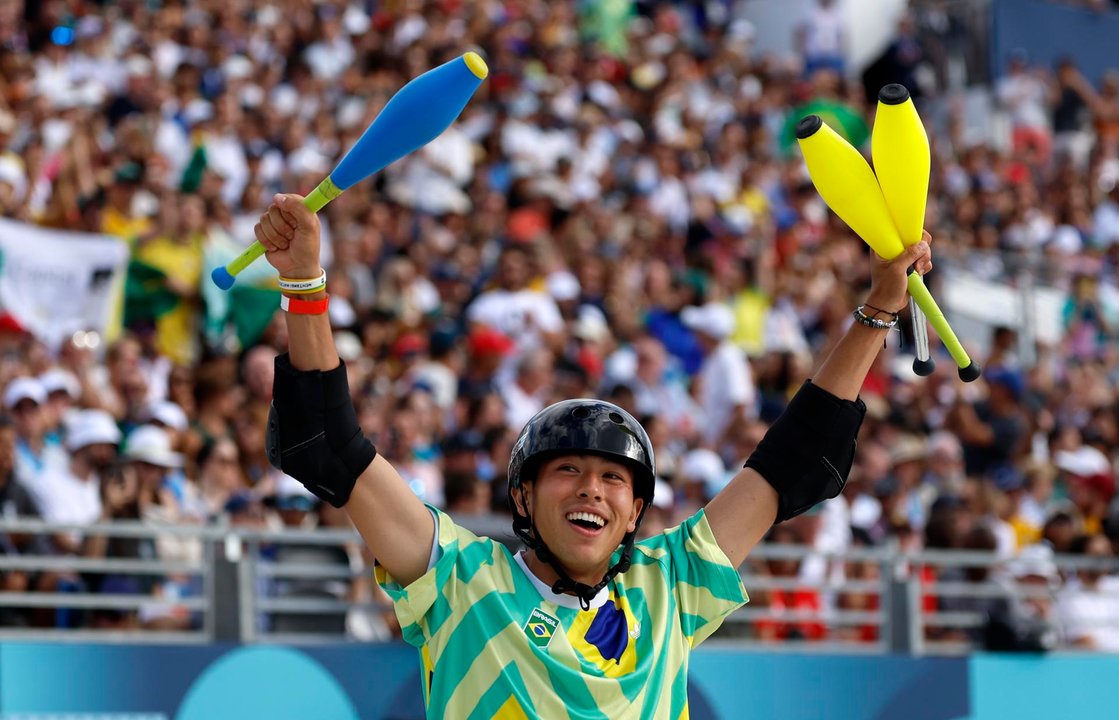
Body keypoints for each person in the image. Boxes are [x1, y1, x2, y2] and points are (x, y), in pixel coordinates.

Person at [255, 193, 933, 718]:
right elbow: (327, 446)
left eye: (614, 479)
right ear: (520, 496)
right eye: (568, 472)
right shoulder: (460, 579)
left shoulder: (669, 585)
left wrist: (877, 308)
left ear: (637, 508)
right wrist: (306, 284)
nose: (592, 491)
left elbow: (797, 459)